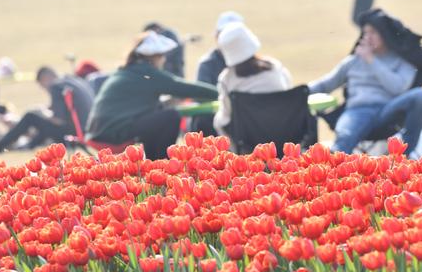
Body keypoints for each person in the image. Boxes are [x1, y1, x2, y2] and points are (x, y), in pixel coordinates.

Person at [309, 9, 422, 156]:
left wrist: (371, 60)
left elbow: (398, 88)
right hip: (357, 111)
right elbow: (326, 84)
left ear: (385, 35)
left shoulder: (402, 60)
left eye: (373, 33)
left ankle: (403, 155)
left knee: (421, 96)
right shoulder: (354, 61)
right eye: (366, 33)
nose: (368, 37)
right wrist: (299, 92)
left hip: (388, 111)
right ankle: (337, 163)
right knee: (345, 134)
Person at [85, 31, 217, 160]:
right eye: (161, 55)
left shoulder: (129, 70)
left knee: (161, 116)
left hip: (99, 131)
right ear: (154, 57)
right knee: (172, 117)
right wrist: (220, 93)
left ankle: (153, 165)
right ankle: (160, 163)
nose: (164, 59)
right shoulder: (147, 73)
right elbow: (185, 88)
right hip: (112, 133)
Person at [0, 67, 94, 153]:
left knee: (31, 116)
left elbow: (58, 120)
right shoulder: (73, 80)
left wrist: (40, 112)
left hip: (72, 136)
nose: (45, 89)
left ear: (45, 78)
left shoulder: (55, 86)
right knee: (40, 121)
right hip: (86, 132)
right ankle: (28, 146)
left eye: (42, 85)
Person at [213, 23, 292, 137]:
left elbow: (226, 117)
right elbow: (289, 95)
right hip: (283, 135)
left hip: (247, 142)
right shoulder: (275, 67)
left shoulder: (226, 79)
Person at [191, 11, 245, 136]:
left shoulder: (255, 64)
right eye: (225, 34)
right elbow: (201, 97)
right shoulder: (207, 64)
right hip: (219, 116)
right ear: (216, 37)